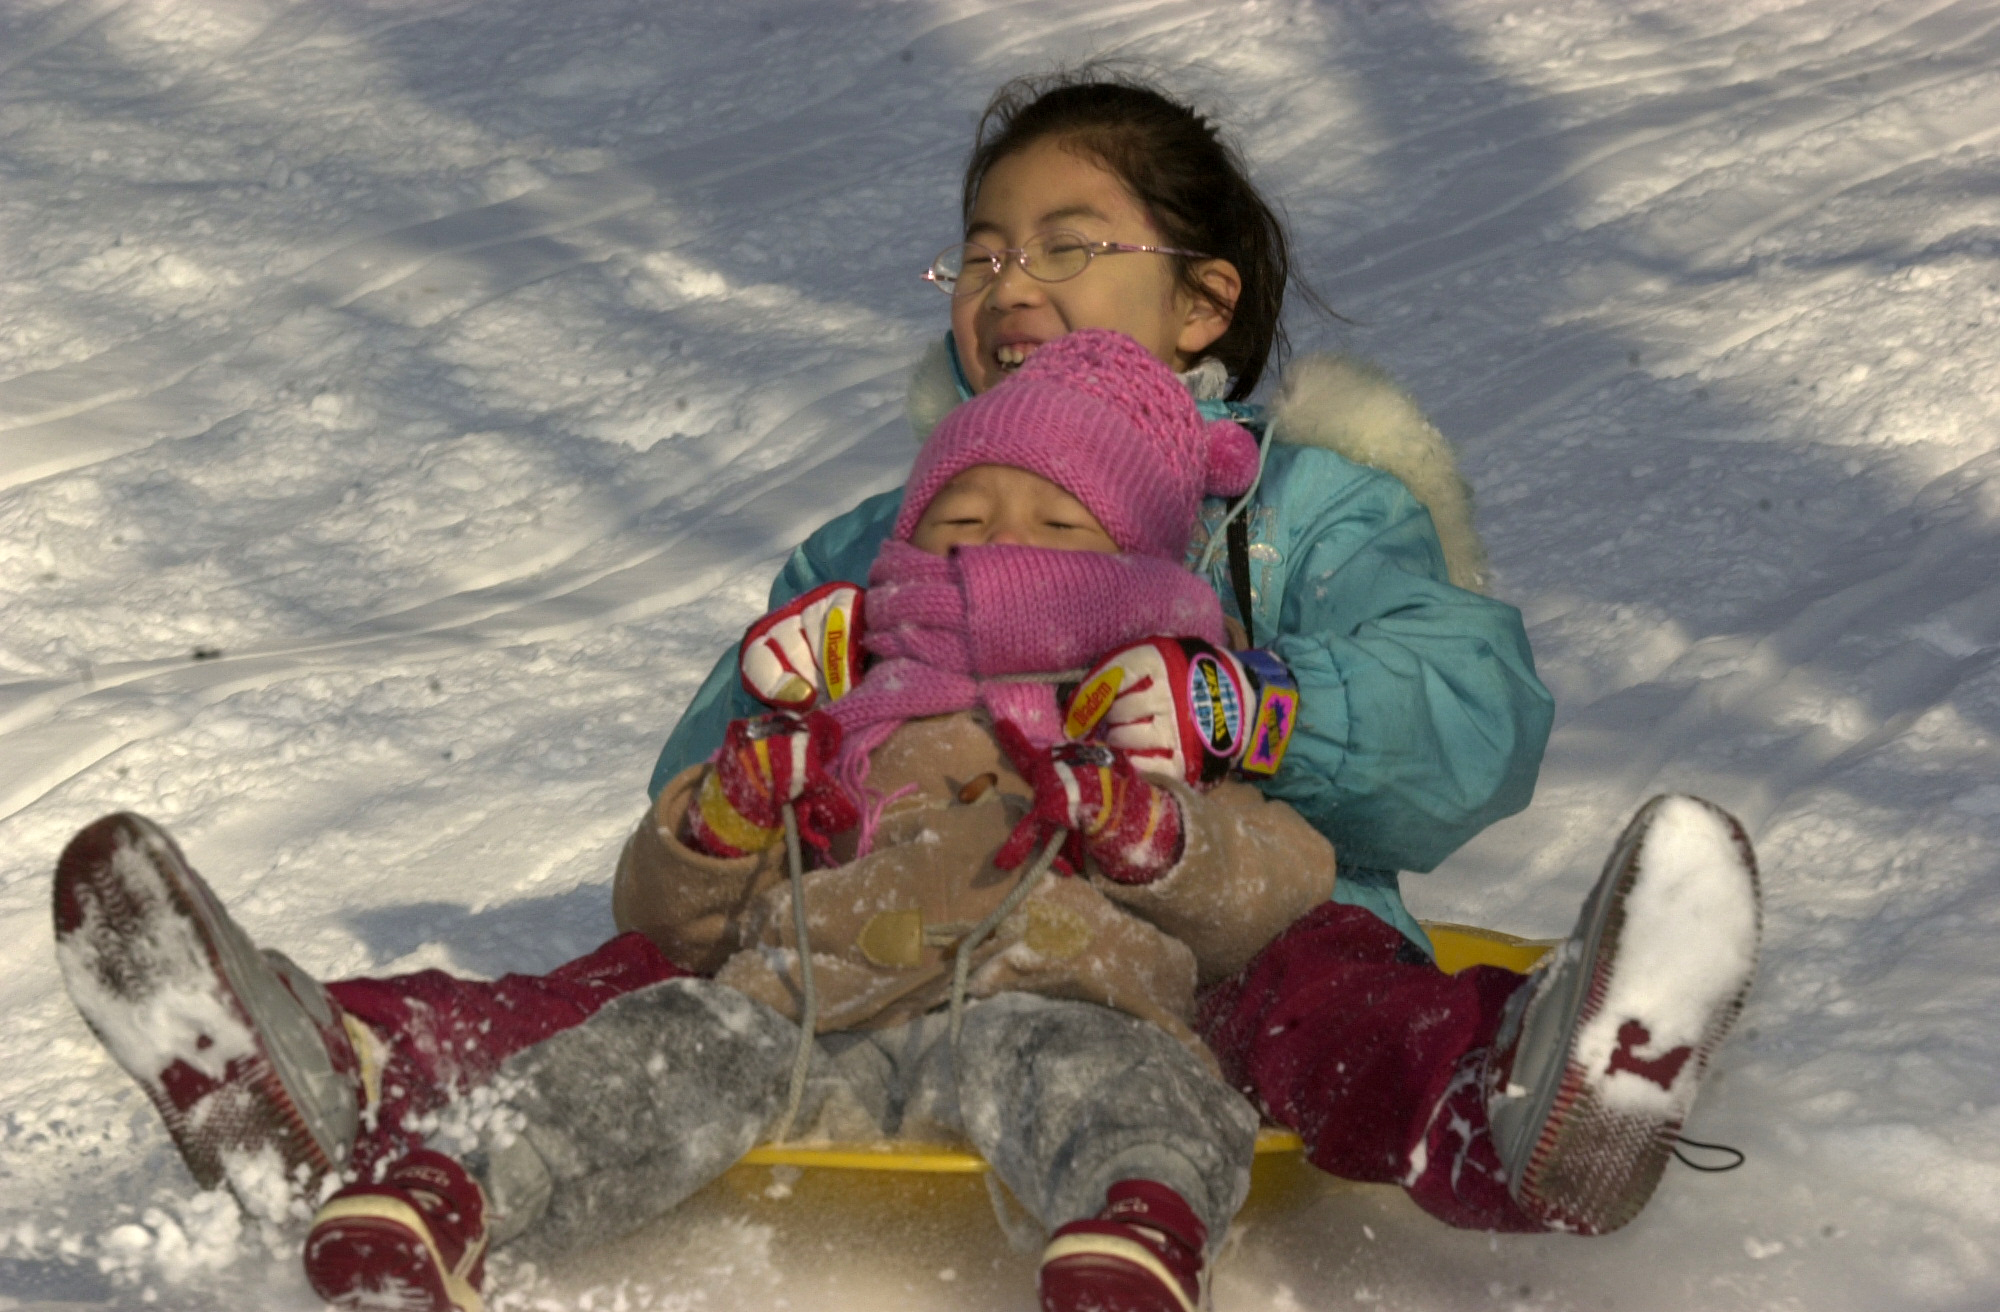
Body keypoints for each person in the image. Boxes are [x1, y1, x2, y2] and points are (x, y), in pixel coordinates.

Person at [50, 73, 1761, 1312]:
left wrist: (1259, 715)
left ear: (1205, 297)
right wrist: (777, 718)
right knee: (650, 971)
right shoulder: (889, 537)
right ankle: (357, 1069)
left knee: (1322, 993)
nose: (1011, 282)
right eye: (982, 254)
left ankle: (1509, 1111)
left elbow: (1470, 720)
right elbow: (692, 819)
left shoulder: (1307, 510)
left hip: (1186, 939)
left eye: (1069, 245)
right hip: (862, 927)